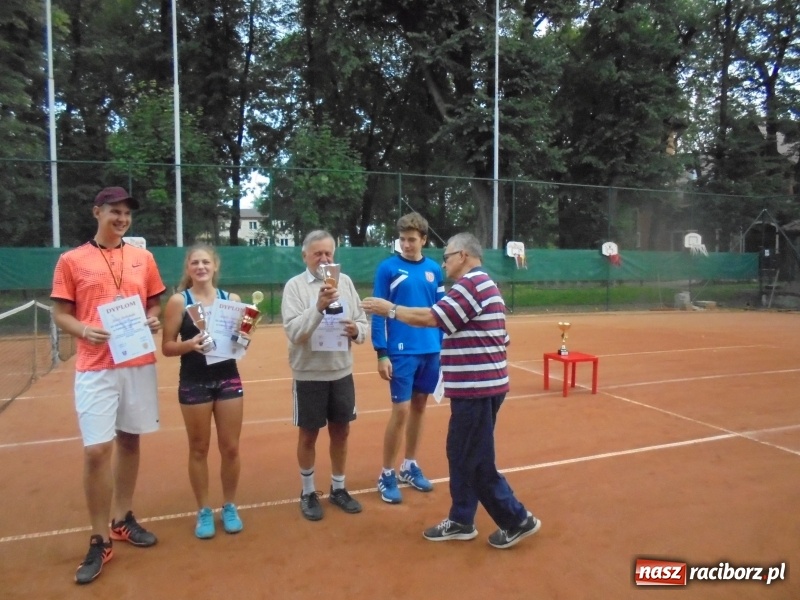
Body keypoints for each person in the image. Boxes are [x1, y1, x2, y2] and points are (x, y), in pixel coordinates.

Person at [361, 232, 541, 549]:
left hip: (477, 389)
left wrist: (390, 309)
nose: (443, 263)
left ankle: (516, 519)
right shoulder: (484, 285)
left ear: (462, 256)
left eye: (446, 257)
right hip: (478, 387)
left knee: (475, 458)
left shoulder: (472, 284)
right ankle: (461, 519)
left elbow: (432, 317)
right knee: (460, 453)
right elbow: (503, 338)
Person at [51, 186, 166, 584]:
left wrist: (153, 318)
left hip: (136, 361)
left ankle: (122, 518)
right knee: (97, 450)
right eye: (115, 211)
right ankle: (99, 538)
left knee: (130, 440)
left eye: (127, 213)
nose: (122, 218)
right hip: (95, 365)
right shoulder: (71, 260)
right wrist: (84, 330)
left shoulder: (143, 258)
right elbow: (60, 313)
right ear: (97, 212)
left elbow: (154, 302)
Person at [281, 230, 369, 521]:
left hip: (341, 371)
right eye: (317, 253)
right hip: (308, 374)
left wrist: (356, 331)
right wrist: (318, 307)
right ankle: (308, 492)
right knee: (308, 434)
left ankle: (338, 488)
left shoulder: (346, 282)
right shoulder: (294, 287)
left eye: (328, 253)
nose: (324, 258)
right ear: (304, 255)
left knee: (341, 432)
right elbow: (295, 332)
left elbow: (362, 323)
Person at [161, 245, 245, 539]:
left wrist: (244, 335)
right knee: (198, 448)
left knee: (231, 448)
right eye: (195, 262)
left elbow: (240, 341)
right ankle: (204, 510)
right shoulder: (178, 301)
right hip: (194, 381)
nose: (201, 267)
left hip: (228, 379)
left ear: (215, 266)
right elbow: (167, 346)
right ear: (188, 268)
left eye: (205, 262)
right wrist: (189, 345)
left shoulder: (231, 300)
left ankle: (230, 505)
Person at [371, 213, 444, 504]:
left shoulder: (434, 269)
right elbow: (378, 311)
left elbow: (441, 312)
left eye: (412, 239)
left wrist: (442, 348)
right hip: (401, 351)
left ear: (424, 239)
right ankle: (386, 473)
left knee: (420, 407)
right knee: (400, 410)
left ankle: (409, 465)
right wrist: (381, 352)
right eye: (402, 239)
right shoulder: (387, 268)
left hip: (431, 350)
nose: (406, 244)